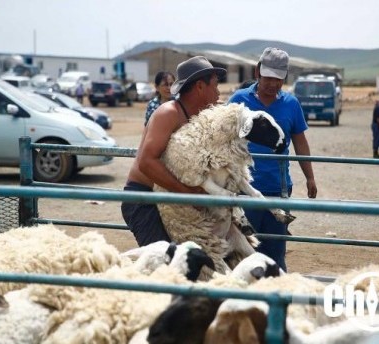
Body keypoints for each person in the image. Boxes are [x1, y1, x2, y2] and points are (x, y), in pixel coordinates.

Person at [121, 56, 226, 246]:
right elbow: (146, 161)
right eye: (215, 85)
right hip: (145, 199)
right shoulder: (168, 113)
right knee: (165, 263)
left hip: (174, 198)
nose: (218, 93)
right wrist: (188, 193)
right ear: (200, 87)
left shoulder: (201, 117)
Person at [228, 47, 317, 271]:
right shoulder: (239, 100)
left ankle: (275, 300)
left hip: (278, 190)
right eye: (268, 78)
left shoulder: (291, 104)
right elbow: (222, 137)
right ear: (258, 72)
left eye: (278, 79)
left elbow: (300, 142)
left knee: (275, 252)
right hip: (244, 190)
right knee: (243, 251)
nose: (272, 84)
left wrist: (310, 177)